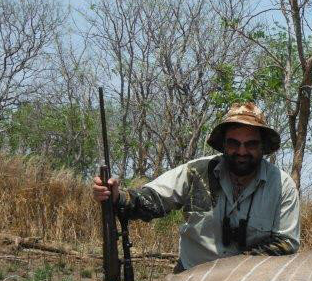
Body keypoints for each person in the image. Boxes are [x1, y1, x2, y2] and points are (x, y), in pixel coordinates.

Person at [93, 102, 300, 272]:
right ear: (224, 145)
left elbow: (286, 244)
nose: (242, 151)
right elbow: (153, 199)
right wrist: (117, 197)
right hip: (191, 279)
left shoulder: (282, 185)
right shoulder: (197, 172)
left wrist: (228, 271)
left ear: (263, 146)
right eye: (234, 143)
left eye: (251, 144)